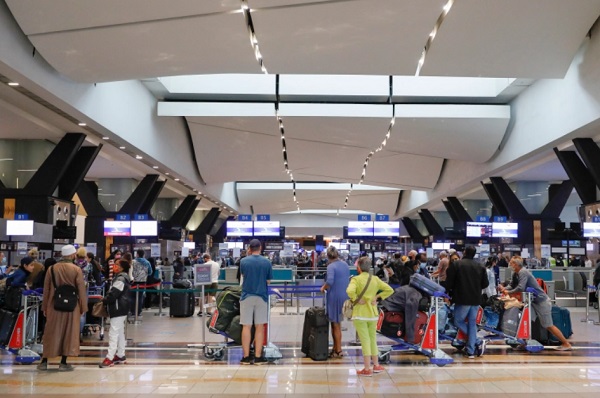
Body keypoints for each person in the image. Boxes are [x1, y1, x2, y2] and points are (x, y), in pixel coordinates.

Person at [499, 255, 572, 351]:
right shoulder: (516, 273)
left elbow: (520, 287)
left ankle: (566, 343)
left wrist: (508, 292)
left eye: (512, 263)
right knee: (526, 321)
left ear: (516, 264)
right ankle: (524, 342)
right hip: (532, 302)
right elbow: (512, 285)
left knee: (548, 325)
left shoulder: (523, 272)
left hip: (541, 302)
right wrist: (504, 289)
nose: (510, 264)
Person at [38, 245, 88, 371]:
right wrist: (83, 307)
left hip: (54, 304)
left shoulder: (52, 269)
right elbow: (81, 290)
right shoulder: (76, 269)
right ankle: (63, 362)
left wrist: (45, 307)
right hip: (72, 306)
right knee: (69, 332)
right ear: (72, 255)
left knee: (51, 332)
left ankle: (44, 361)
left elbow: (47, 289)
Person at [346, 256, 394, 377]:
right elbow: (389, 290)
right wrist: (377, 298)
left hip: (360, 314)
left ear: (358, 268)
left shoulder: (356, 280)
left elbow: (349, 291)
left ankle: (367, 368)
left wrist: (356, 299)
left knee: (365, 340)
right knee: (372, 338)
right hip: (373, 314)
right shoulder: (375, 279)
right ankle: (376, 365)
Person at [445, 245, 489, 359]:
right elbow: (485, 284)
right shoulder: (480, 266)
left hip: (462, 298)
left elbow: (449, 282)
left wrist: (447, 294)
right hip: (475, 299)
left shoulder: (456, 265)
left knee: (458, 321)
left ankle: (477, 341)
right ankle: (470, 351)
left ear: (464, 252)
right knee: (472, 323)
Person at [239, 239, 272, 365]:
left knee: (246, 326)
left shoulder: (243, 261)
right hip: (262, 297)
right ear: (260, 247)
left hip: (246, 296)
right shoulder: (267, 262)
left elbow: (243, 275)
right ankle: (258, 357)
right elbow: (269, 281)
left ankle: (246, 357)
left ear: (250, 248)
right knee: (259, 326)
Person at [319, 246, 350, 358]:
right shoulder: (345, 265)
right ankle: (335, 348)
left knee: (335, 324)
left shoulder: (331, 266)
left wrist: (323, 287)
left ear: (328, 256)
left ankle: (338, 350)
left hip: (334, 296)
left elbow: (330, 281)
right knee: (337, 323)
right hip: (344, 296)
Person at [99, 259, 131, 368]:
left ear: (122, 267)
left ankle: (109, 358)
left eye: (117, 264)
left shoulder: (121, 279)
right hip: (122, 307)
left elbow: (113, 295)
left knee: (113, 333)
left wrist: (104, 300)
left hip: (118, 308)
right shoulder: (122, 277)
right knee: (120, 332)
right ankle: (120, 355)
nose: (114, 266)